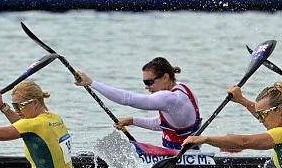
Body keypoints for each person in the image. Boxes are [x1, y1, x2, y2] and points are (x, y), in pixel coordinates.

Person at [73, 57, 201, 151]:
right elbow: (170, 125)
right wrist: (133, 120)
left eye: (149, 82)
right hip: (190, 154)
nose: (146, 87)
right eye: (144, 82)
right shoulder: (184, 90)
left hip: (177, 158)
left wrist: (91, 83)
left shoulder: (169, 97)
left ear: (165, 77)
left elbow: (127, 99)